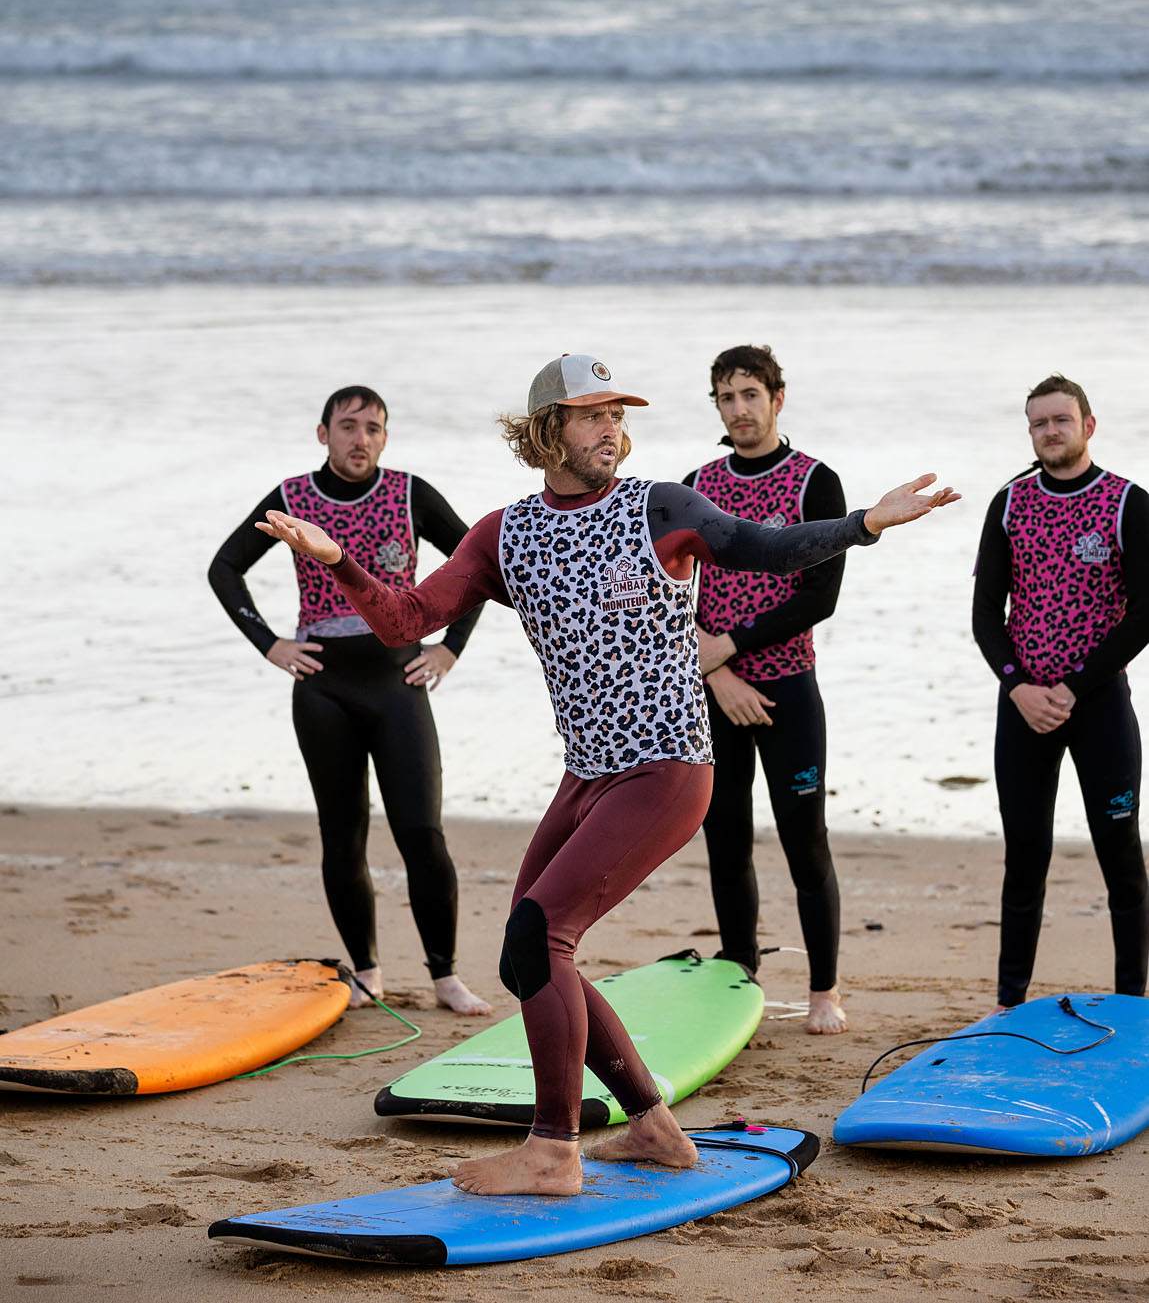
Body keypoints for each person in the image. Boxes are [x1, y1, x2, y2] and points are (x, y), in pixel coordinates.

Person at [256, 354, 958, 1196]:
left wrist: (864, 524)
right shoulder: (503, 533)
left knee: (537, 939)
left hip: (664, 766)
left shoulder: (661, 506)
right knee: (532, 954)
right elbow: (409, 616)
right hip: (586, 771)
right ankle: (653, 1127)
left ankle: (551, 1149)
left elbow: (767, 550)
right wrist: (339, 559)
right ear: (548, 427)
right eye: (593, 415)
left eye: (618, 415)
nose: (612, 430)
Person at [208, 384, 490, 1015]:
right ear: (323, 433)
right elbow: (224, 568)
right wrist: (270, 644)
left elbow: (478, 565)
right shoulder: (290, 499)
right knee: (343, 837)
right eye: (348, 426)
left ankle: (445, 976)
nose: (361, 438)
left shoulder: (410, 493)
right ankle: (366, 970)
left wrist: (449, 648)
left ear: (385, 438)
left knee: (423, 835)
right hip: (323, 689)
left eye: (374, 428)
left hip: (397, 683)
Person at [686, 344, 848, 1034]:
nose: (739, 408)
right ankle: (738, 976)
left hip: (787, 690)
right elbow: (669, 594)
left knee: (802, 838)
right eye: (726, 397)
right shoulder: (693, 485)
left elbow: (821, 593)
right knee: (724, 839)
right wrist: (716, 671)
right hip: (714, 692)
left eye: (750, 393)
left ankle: (823, 989)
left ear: (776, 398)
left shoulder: (815, 481)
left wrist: (733, 644)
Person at [972, 374, 1149, 1009]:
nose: (1050, 431)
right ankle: (1009, 1001)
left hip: (1098, 705)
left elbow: (1143, 615)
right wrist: (1018, 685)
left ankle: (1133, 1000)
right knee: (1024, 855)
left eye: (1061, 420)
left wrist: (1073, 686)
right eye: (1039, 422)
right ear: (1030, 431)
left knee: (1121, 854)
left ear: (1088, 425)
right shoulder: (1010, 503)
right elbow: (986, 613)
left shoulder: (1128, 502)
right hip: (1022, 706)